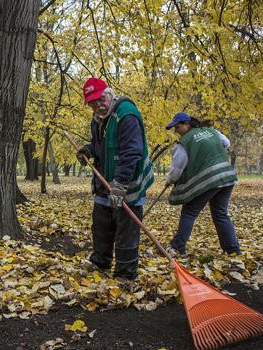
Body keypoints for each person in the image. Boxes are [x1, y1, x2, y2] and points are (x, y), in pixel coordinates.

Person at [77, 78, 154, 283]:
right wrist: (88, 150)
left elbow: (132, 151)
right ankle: (100, 263)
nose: (97, 105)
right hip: (105, 181)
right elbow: (99, 145)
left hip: (128, 181)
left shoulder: (126, 114)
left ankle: (125, 274)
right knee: (101, 225)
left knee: (126, 228)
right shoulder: (98, 118)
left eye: (100, 99)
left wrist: (120, 184)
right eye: (92, 102)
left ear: (109, 94)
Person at [164, 112, 240, 256]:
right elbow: (226, 143)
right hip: (226, 176)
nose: (176, 131)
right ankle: (233, 250)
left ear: (187, 125)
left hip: (209, 179)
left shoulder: (184, 142)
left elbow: (176, 169)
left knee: (189, 211)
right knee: (220, 214)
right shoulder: (212, 131)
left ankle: (177, 247)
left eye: (177, 127)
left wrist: (169, 181)